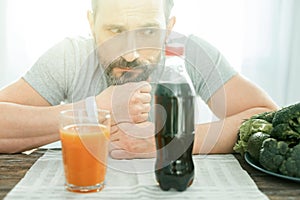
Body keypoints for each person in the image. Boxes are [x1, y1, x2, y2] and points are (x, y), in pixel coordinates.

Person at [0, 0, 277, 158]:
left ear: (169, 30)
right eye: (115, 31)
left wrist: (168, 143)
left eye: (147, 32)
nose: (130, 54)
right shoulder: (71, 55)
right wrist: (94, 111)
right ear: (91, 24)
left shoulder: (192, 54)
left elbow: (267, 117)